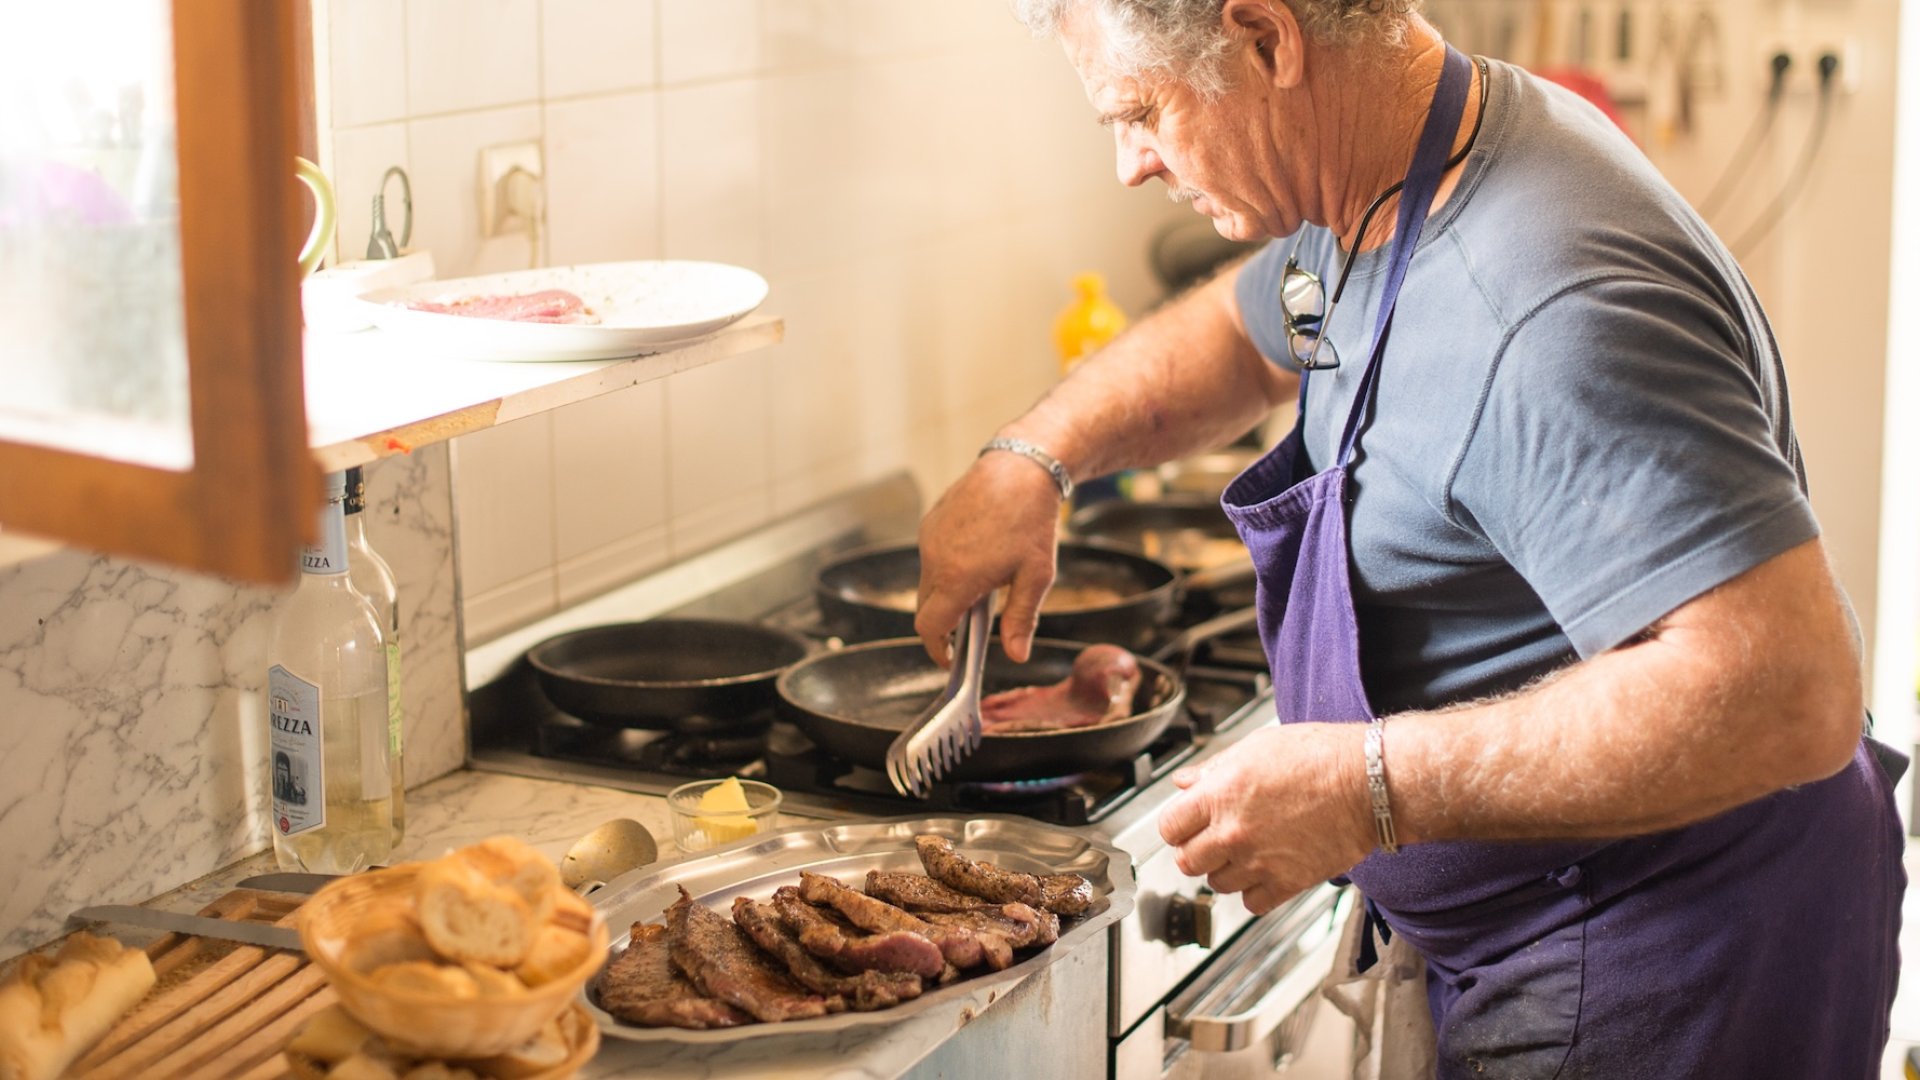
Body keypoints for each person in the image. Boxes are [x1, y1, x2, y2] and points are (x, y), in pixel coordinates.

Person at [911, 1, 1906, 1076]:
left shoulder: (1543, 296)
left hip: (1669, 953)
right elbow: (1244, 336)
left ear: (1267, 39)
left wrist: (1364, 788)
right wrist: (1033, 456)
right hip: (1542, 921)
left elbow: (1787, 688)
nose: (1129, 165)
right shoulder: (1396, 182)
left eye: (1144, 111)